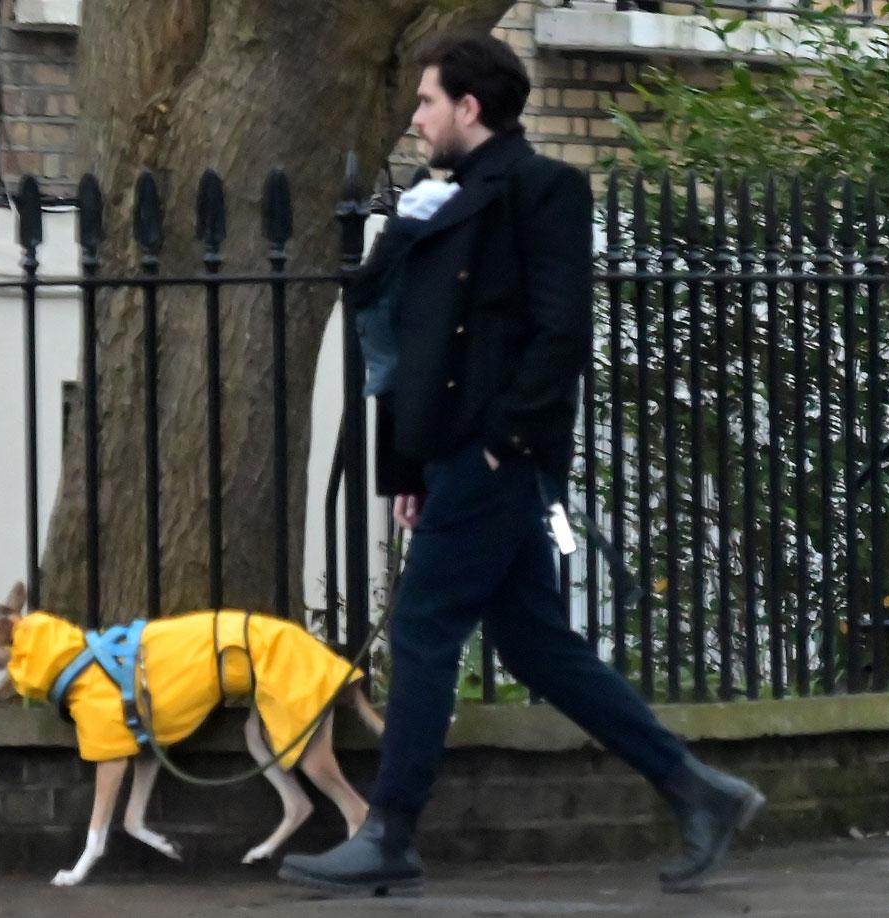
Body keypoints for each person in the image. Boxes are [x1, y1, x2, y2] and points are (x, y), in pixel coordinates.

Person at [279, 32, 764, 898]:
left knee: (425, 630)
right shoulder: (438, 202)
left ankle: (389, 830)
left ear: (470, 108)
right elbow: (401, 344)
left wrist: (506, 442)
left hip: (497, 454)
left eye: (427, 102)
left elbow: (560, 331)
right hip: (458, 456)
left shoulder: (544, 190)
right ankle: (699, 790)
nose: (417, 118)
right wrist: (411, 472)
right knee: (535, 642)